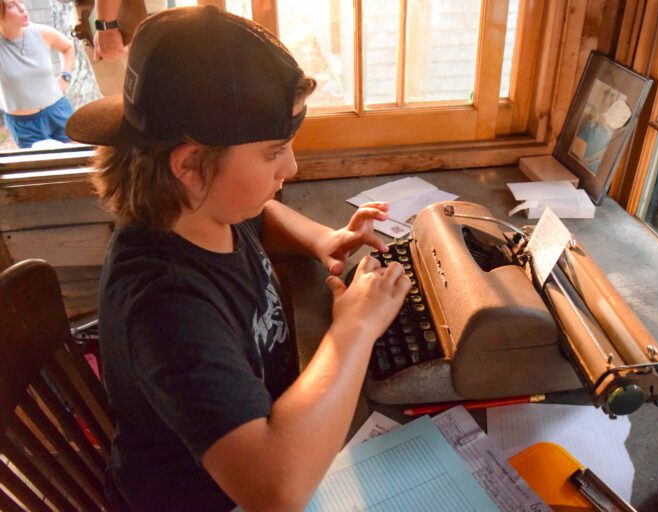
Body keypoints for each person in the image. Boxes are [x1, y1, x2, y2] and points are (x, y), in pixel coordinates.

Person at [64, 5, 410, 512]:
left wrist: (321, 239)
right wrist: (355, 328)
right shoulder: (165, 304)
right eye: (274, 152)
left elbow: (262, 214)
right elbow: (276, 489)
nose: (290, 167)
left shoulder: (198, 208)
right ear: (190, 164)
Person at [0, 0, 74, 148]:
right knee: (41, 167)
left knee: (77, 160)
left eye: (20, 1)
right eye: (11, 5)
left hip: (58, 112)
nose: (22, 8)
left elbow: (68, 47)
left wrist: (65, 77)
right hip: (25, 125)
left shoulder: (42, 33)